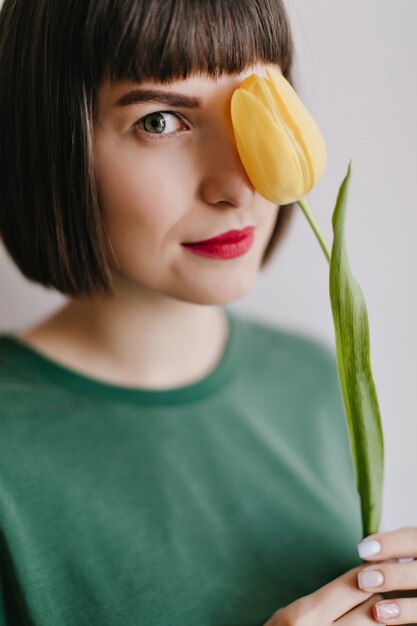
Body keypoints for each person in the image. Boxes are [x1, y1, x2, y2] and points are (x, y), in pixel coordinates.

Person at [0, 0, 415, 624]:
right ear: (49, 140)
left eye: (258, 102)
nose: (239, 183)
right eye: (161, 121)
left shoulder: (315, 379)